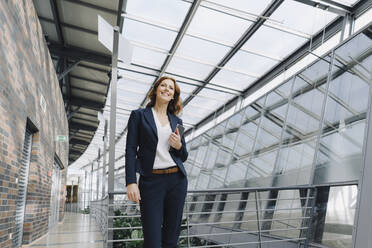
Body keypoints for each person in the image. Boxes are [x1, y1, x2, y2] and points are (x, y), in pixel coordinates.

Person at [125, 76, 188, 248]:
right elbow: (131, 149)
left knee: (170, 240)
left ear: (173, 95)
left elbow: (183, 155)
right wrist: (131, 181)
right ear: (156, 89)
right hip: (151, 182)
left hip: (177, 181)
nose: (167, 89)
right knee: (152, 241)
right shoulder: (139, 115)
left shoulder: (177, 121)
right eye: (164, 85)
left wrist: (178, 145)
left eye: (171, 89)